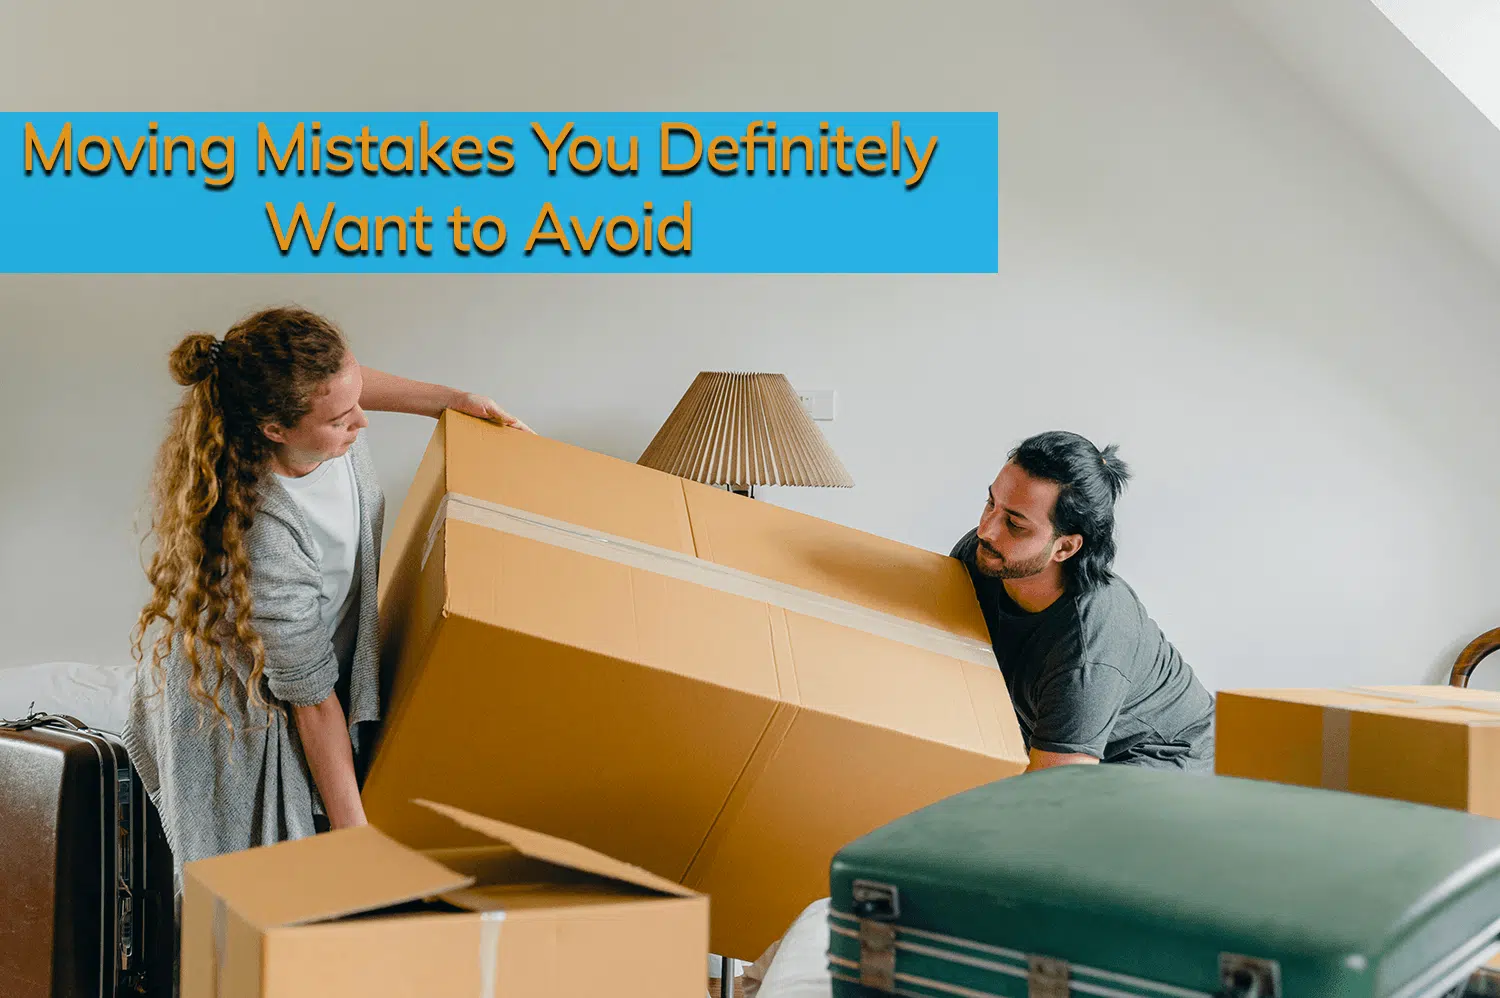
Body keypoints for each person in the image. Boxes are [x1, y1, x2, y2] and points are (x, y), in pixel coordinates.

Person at [122, 305, 532, 892]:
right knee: (265, 903)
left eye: (356, 397)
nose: (362, 422)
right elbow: (312, 704)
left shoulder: (326, 430)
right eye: (342, 417)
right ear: (275, 429)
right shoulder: (262, 530)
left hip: (303, 678)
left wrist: (456, 399)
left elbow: (348, 384)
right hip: (236, 713)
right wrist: (355, 842)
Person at [950, 431, 1214, 773]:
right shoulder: (985, 557)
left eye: (1015, 524)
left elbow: (1054, 794)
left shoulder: (1086, 648)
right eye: (991, 504)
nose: (986, 530)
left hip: (1166, 761)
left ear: (1066, 548)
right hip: (1076, 742)